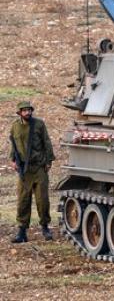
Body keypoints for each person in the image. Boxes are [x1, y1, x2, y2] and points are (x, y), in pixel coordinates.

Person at [9, 101, 55, 243]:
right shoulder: (15, 126)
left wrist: (48, 161)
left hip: (39, 167)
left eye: (29, 110)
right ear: (20, 112)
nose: (28, 112)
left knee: (43, 200)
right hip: (24, 169)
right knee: (23, 200)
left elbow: (47, 142)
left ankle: (45, 228)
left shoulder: (39, 124)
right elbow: (14, 145)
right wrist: (13, 160)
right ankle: (22, 231)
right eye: (25, 110)